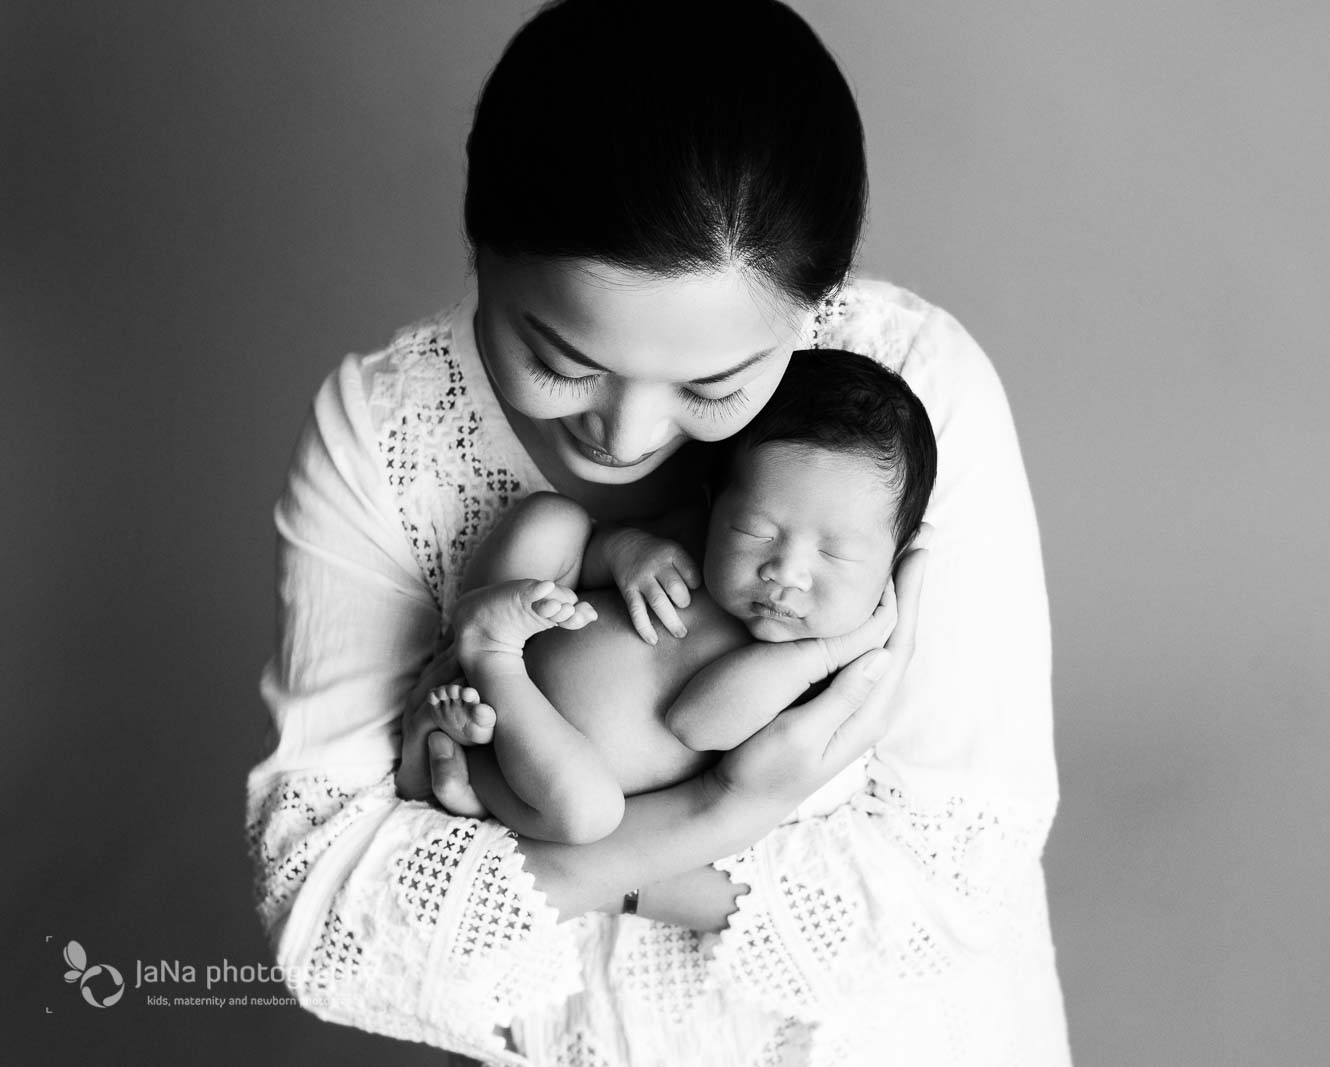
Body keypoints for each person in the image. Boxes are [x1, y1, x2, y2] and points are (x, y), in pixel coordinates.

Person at [247, 0, 1071, 1063]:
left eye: (716, 383)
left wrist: (557, 865)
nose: (624, 433)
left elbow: (950, 876)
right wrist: (721, 812)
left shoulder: (902, 399)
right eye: (560, 358)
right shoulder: (386, 428)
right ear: (482, 250)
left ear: (806, 309)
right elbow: (331, 916)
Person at [430, 351, 935, 846]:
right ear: (715, 504)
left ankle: (484, 723)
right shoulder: (698, 541)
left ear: (894, 560)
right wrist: (624, 551)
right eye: (755, 530)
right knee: (551, 520)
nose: (785, 571)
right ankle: (461, 663)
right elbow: (589, 558)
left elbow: (695, 723)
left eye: (837, 555)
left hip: (545, 764)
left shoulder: (824, 679)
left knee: (588, 813)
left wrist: (822, 654)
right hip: (526, 635)